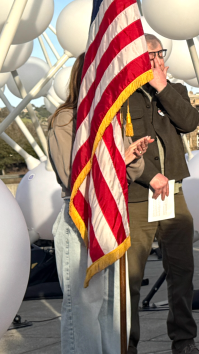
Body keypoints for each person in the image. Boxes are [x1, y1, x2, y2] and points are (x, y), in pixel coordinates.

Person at [49, 53, 153, 354]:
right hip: (80, 216)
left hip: (109, 215)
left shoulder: (112, 118)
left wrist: (130, 154)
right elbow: (73, 176)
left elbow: (129, 171)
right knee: (82, 308)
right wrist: (117, 159)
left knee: (112, 308)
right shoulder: (66, 119)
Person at [126, 35, 199, 354]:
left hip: (173, 192)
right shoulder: (123, 97)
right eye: (149, 54)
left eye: (159, 53)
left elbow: (189, 122)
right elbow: (120, 146)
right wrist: (147, 175)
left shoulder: (176, 91)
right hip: (136, 195)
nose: (156, 59)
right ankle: (126, 344)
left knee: (182, 270)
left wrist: (162, 87)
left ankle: (183, 340)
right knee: (131, 277)